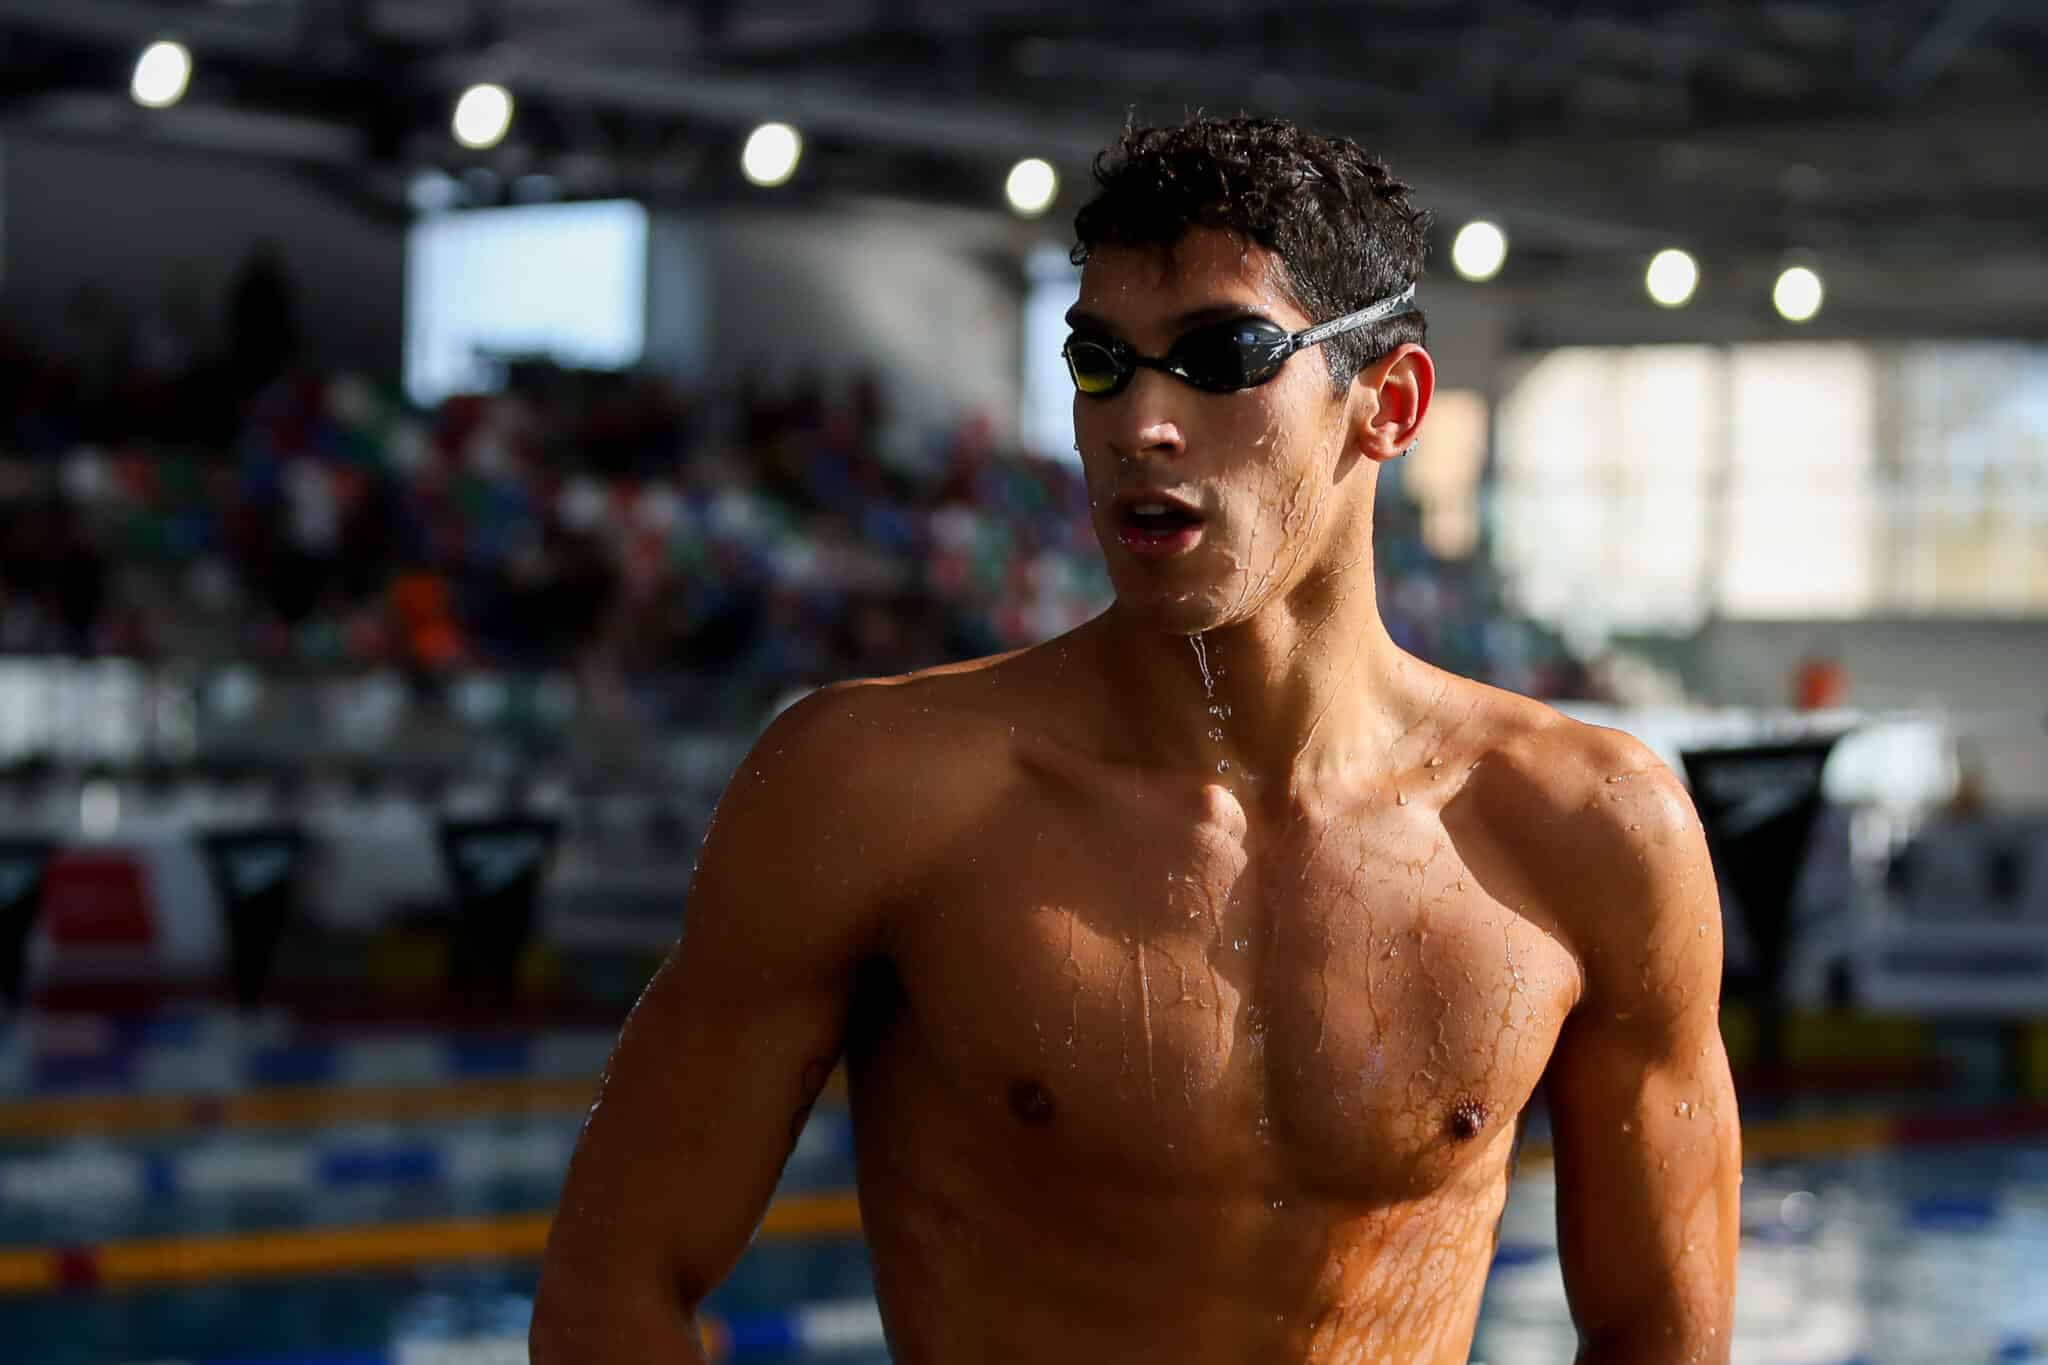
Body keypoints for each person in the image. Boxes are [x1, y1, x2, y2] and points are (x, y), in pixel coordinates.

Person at [532, 116, 1740, 1364]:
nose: (1139, 423)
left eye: (1220, 356)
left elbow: (1661, 1335)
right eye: (1100, 360)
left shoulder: (1586, 830)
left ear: (1386, 404)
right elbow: (609, 1298)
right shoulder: (878, 795)